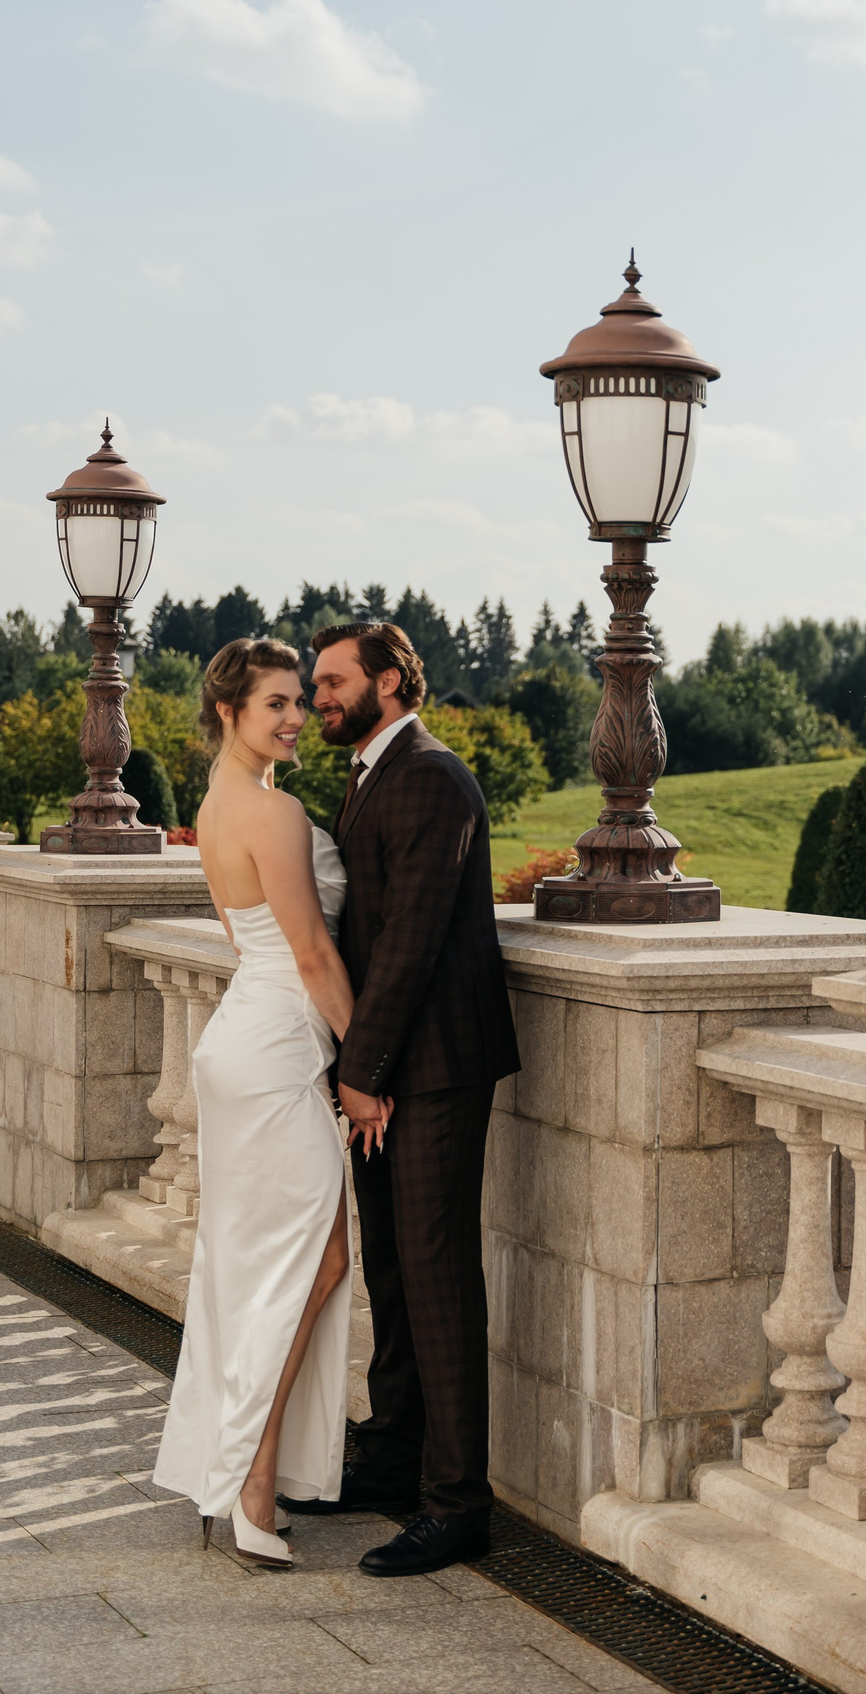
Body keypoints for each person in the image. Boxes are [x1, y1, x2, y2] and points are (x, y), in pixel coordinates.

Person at [274, 620, 520, 1577]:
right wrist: (362, 1069)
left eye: (333, 681)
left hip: (436, 1068)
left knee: (437, 1276)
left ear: (388, 681)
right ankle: (391, 1459)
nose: (319, 699)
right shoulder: (372, 772)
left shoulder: (430, 776)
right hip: (388, 1070)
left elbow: (411, 940)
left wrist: (361, 1070)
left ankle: (458, 1505)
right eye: (314, 685)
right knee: (392, 1270)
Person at [151, 638, 382, 1570]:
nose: (295, 717)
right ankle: (251, 1477)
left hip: (248, 1042)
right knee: (313, 1262)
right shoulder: (272, 812)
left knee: (269, 1266)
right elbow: (313, 955)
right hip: (275, 1051)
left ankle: (244, 1469)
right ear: (229, 711)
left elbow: (253, 945)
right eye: (275, 704)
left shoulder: (215, 805)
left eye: (298, 700)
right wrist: (367, 1065)